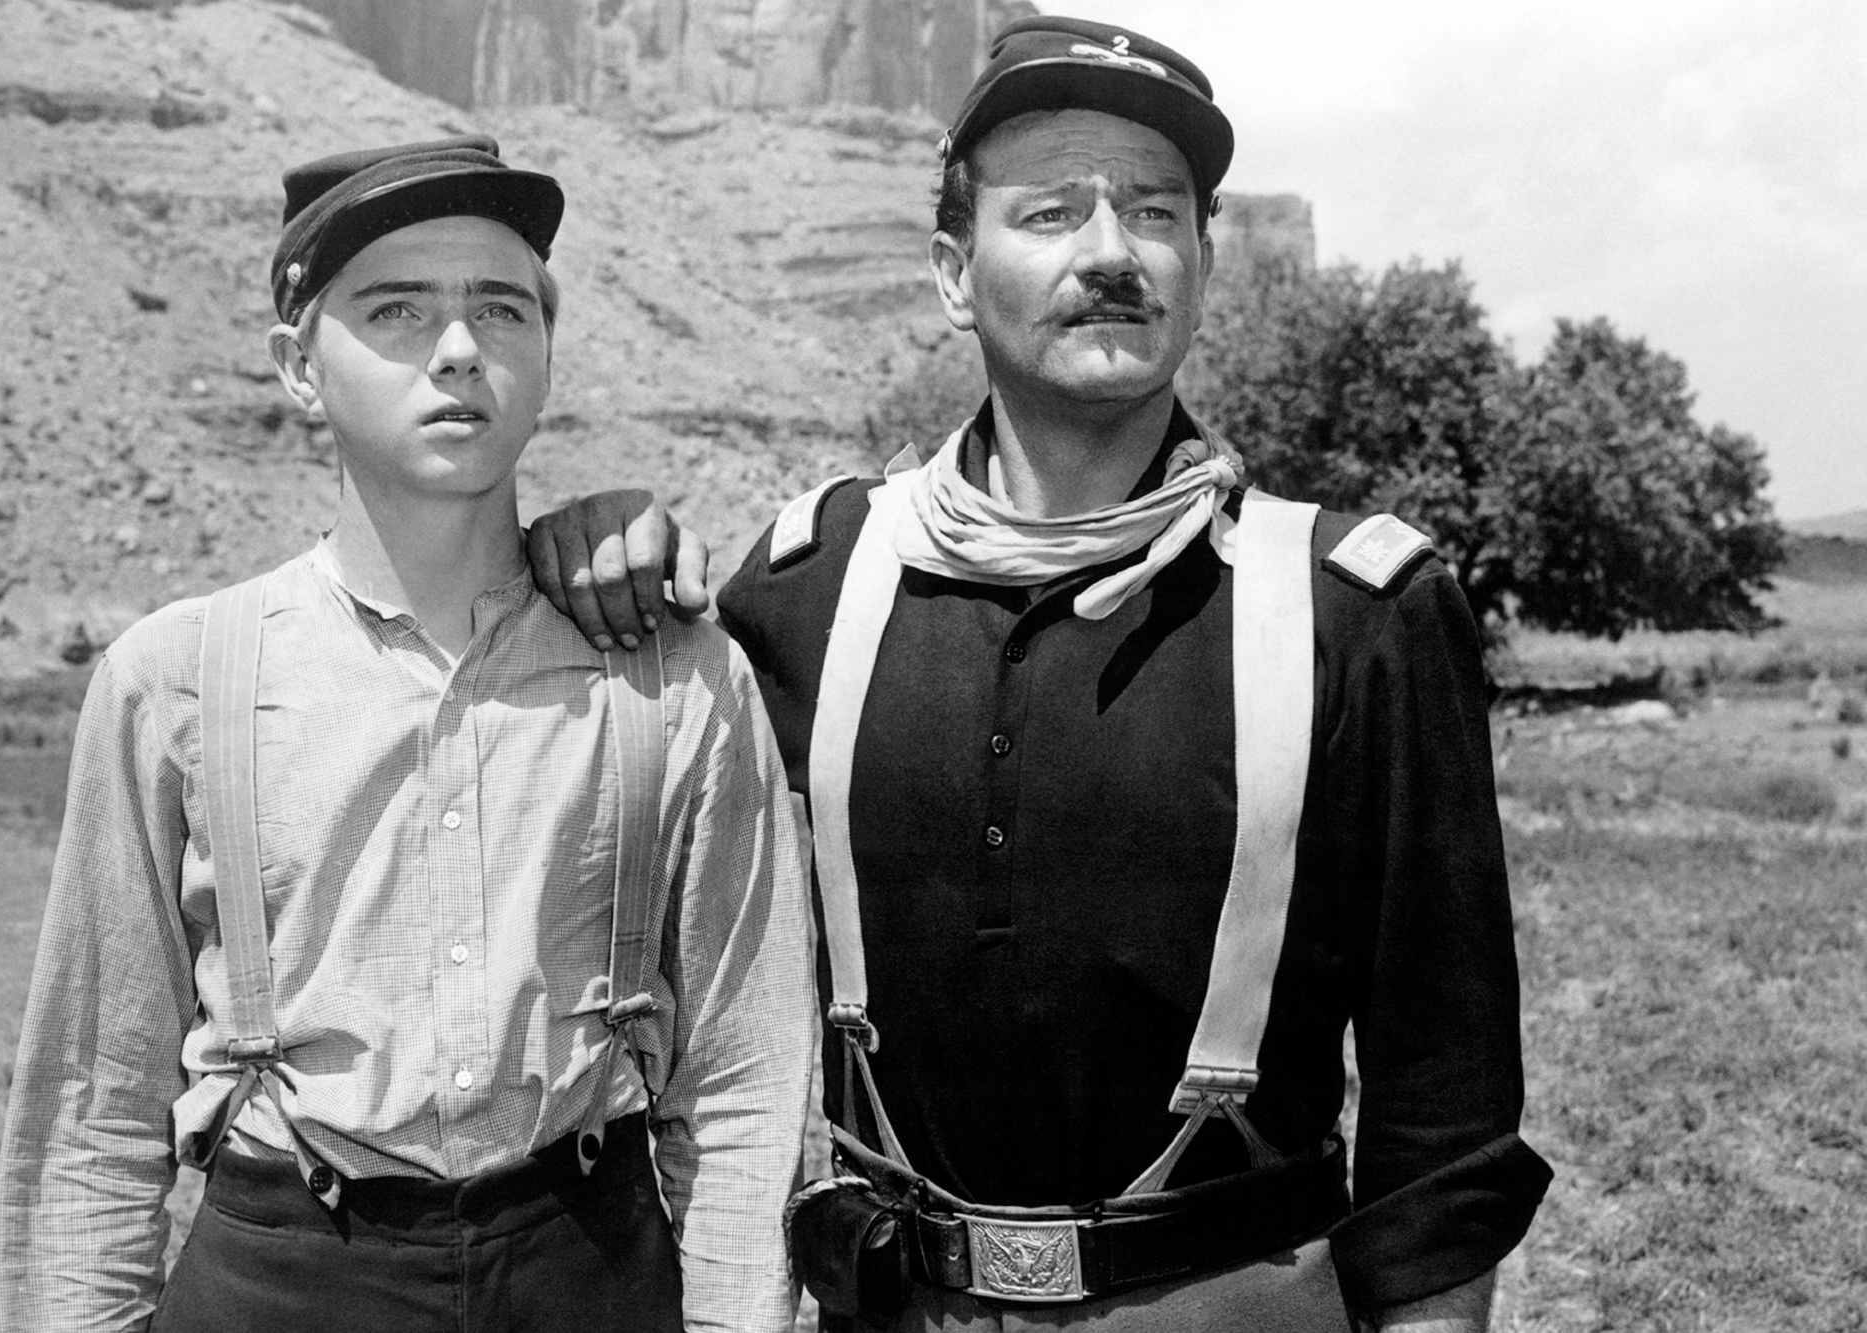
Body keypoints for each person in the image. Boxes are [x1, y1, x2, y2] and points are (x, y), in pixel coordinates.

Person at [531, 17, 1551, 1329]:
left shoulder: (1355, 610)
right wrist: (588, 544)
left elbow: (1443, 1100)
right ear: (956, 271)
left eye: (1155, 212)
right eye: (1054, 211)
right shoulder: (813, 584)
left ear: (1203, 259)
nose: (1112, 254)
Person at [0, 136, 816, 1333]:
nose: (459, 350)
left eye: (499, 307)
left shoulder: (677, 677)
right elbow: (93, 1108)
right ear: (298, 366)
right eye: (395, 310)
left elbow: (741, 1082)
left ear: (542, 348)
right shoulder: (174, 680)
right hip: (283, 1273)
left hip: (589, 1266)